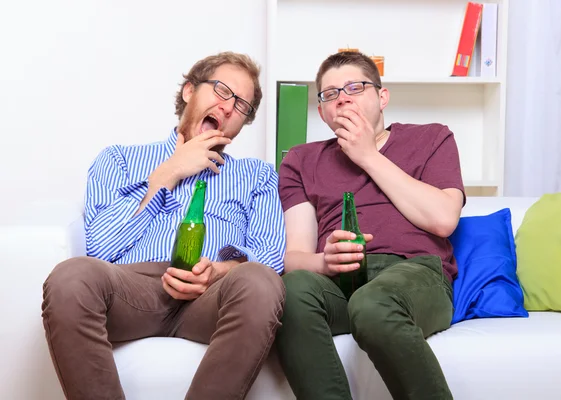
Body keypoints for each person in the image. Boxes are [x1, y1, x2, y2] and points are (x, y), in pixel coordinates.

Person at [41, 52, 286, 400]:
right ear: (189, 91)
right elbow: (99, 246)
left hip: (211, 295)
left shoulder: (257, 176)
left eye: (243, 105)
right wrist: (169, 172)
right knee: (70, 277)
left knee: (261, 282)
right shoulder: (119, 160)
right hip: (132, 290)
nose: (229, 108)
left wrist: (218, 271)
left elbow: (271, 257)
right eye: (222, 90)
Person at [275, 51, 466, 400]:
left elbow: (443, 219)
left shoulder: (432, 138)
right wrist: (323, 261)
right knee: (292, 290)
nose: (343, 97)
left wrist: (367, 154)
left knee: (372, 304)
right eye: (330, 94)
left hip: (414, 272)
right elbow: (295, 257)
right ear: (322, 112)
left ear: (382, 97)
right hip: (337, 281)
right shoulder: (300, 160)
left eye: (355, 87)